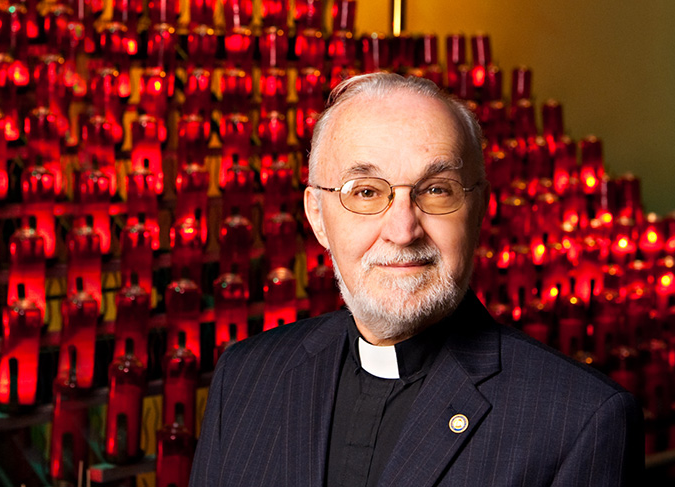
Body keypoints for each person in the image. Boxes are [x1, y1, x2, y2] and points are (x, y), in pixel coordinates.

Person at [190, 73, 643, 486]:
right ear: (317, 216)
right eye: (365, 193)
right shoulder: (245, 377)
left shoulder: (580, 419)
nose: (403, 230)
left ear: (479, 210)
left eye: (436, 190)